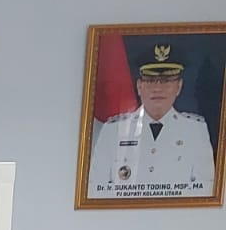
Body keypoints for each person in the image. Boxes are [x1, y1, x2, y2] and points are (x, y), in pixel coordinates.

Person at [87, 42, 216, 198]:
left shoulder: (195, 131)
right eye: (150, 80)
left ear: (179, 86)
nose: (157, 88)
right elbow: (96, 189)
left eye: (166, 80)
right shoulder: (113, 130)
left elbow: (205, 190)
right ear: (139, 86)